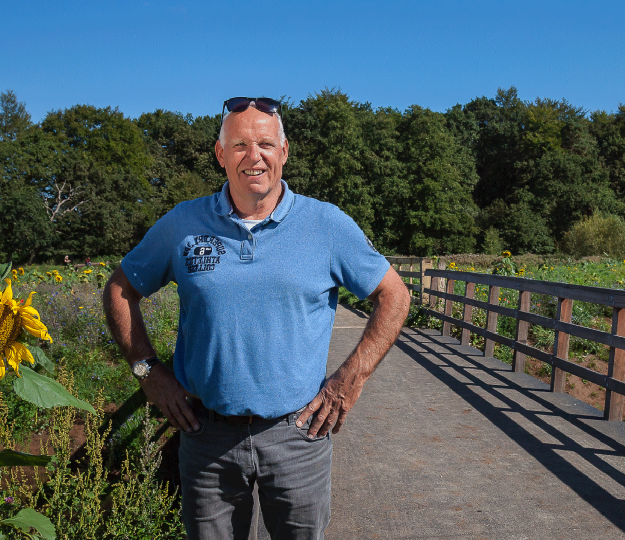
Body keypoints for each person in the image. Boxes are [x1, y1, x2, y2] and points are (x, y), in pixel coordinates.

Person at [102, 97, 410, 539]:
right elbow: (120, 288)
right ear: (220, 154)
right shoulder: (183, 224)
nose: (254, 156)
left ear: (284, 152)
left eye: (266, 143)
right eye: (240, 145)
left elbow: (394, 295)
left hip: (298, 434)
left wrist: (351, 379)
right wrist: (147, 370)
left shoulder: (325, 224)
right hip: (206, 435)